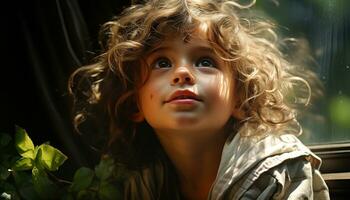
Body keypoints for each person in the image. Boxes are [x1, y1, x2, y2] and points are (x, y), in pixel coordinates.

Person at [69, 0, 330, 199]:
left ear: (240, 98)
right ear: (135, 103)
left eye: (205, 61)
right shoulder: (134, 183)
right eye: (162, 62)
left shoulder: (279, 174)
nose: (182, 73)